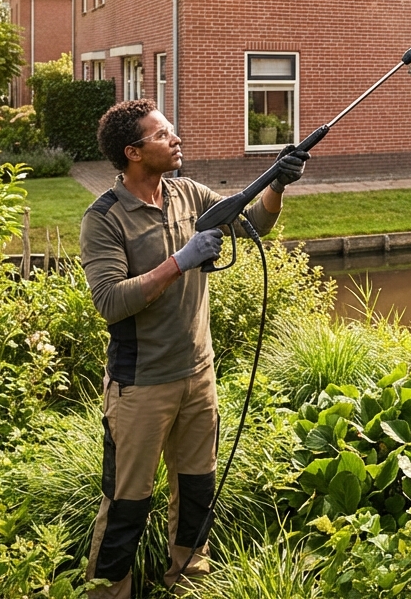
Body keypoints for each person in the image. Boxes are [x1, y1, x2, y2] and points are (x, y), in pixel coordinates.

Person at [79, 98, 307, 598]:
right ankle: (107, 593)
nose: (176, 139)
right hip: (140, 386)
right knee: (126, 506)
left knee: (198, 493)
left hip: (198, 376)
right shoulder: (105, 219)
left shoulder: (188, 194)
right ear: (133, 152)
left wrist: (276, 186)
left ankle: (187, 586)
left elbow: (256, 225)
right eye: (162, 135)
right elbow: (110, 301)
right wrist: (179, 262)